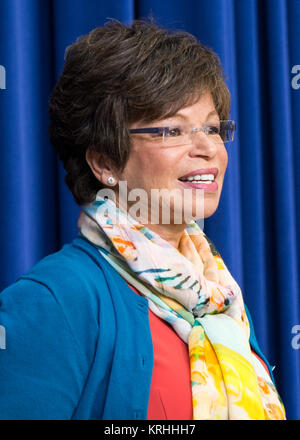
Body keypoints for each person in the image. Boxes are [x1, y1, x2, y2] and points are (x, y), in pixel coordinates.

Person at [0, 19, 286, 420]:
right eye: (172, 130)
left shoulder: (216, 297)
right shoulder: (57, 298)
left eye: (212, 128)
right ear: (104, 161)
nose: (208, 148)